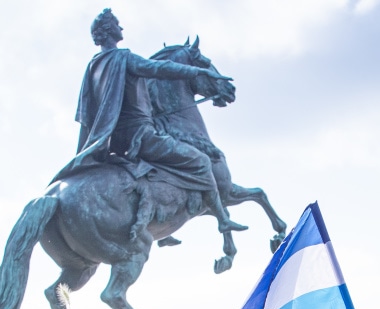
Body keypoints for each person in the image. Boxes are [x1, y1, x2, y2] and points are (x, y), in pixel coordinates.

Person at [59, 8, 246, 236]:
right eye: (117, 24)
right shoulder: (121, 58)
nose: (121, 28)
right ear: (108, 31)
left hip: (115, 142)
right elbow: (159, 68)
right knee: (201, 162)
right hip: (140, 135)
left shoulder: (94, 66)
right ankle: (223, 220)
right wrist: (196, 71)